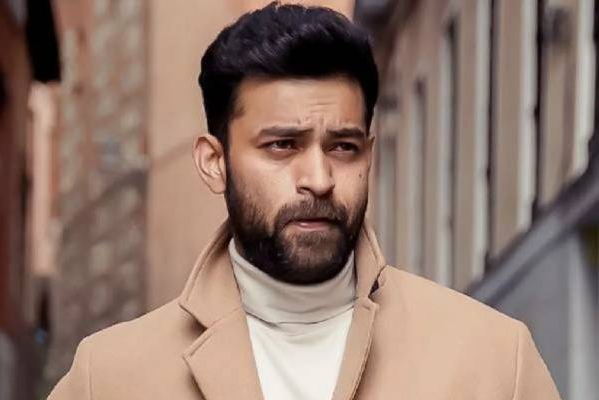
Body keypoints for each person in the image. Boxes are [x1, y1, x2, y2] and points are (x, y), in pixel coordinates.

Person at [49, 2, 561, 399]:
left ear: (368, 154)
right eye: (282, 145)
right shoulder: (110, 378)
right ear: (214, 162)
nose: (318, 179)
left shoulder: (494, 362)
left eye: (343, 147)